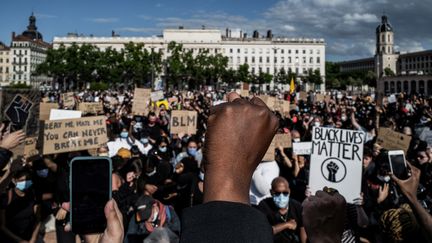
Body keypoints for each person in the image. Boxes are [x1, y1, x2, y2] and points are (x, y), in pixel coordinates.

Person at [258, 177, 307, 243]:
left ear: (289, 191)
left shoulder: (297, 206)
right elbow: (263, 231)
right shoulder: (264, 206)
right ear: (271, 192)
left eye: (285, 193)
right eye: (277, 193)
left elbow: (302, 227)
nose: (281, 196)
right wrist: (286, 224)